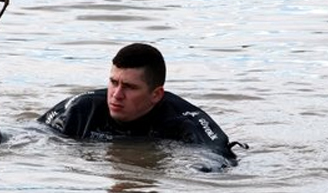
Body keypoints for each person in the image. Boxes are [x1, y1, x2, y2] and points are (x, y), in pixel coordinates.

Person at [38, 43, 247, 164]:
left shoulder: (185, 121)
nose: (116, 95)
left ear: (156, 94)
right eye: (113, 82)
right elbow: (31, 136)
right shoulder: (82, 108)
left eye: (129, 87)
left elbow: (218, 156)